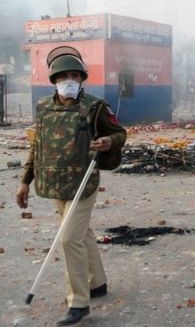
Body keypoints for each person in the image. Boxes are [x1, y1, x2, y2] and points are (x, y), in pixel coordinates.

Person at [16, 46, 126, 326]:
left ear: (82, 78)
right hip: (55, 183)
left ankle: (78, 302)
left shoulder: (94, 106)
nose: (69, 80)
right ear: (53, 79)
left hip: (83, 183)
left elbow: (119, 133)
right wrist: (24, 182)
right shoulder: (43, 107)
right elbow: (37, 146)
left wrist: (108, 142)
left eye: (75, 75)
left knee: (68, 239)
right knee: (81, 233)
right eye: (63, 75)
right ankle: (97, 282)